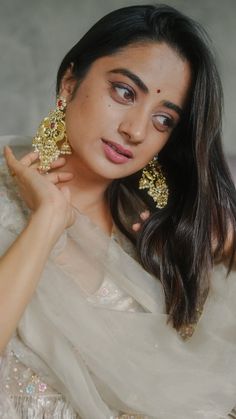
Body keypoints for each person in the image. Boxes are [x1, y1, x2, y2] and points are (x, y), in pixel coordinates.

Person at [0, 4, 236, 418]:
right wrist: (48, 219)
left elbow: (206, 384)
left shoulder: (156, 232)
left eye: (163, 120)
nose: (136, 130)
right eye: (125, 93)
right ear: (70, 81)